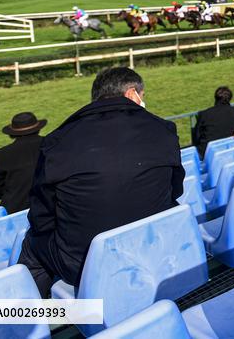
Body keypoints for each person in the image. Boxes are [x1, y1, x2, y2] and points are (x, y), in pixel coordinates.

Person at [18, 67, 183, 298]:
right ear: (131, 94)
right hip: (151, 249)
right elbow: (176, 189)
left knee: (31, 242)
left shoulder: (58, 141)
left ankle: (22, 321)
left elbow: (41, 216)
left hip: (85, 263)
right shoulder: (163, 129)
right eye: (142, 96)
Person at [0, 112, 46, 213]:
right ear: (38, 128)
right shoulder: (52, 144)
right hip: (50, 207)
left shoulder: (2, 155)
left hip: (16, 212)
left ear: (12, 133)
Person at [193, 86, 234, 157]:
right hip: (228, 153)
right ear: (230, 99)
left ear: (215, 98)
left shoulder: (204, 114)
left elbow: (196, 137)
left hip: (207, 155)